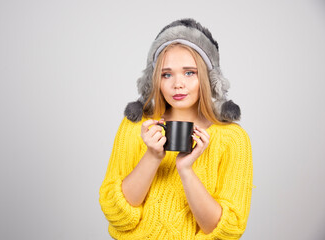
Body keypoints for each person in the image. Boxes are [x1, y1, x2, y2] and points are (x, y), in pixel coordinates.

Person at [99, 18, 253, 240]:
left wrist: (186, 170)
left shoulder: (233, 139)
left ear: (208, 78)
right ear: (155, 80)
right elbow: (117, 215)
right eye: (166, 74)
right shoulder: (135, 126)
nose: (177, 84)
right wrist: (152, 156)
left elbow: (226, 231)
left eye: (189, 72)